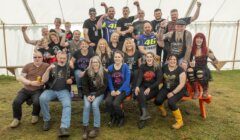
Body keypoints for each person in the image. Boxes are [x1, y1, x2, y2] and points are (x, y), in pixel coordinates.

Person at [10, 51, 49, 128]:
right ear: (33, 58)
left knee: (37, 102)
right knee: (16, 102)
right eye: (35, 57)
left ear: (43, 58)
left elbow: (49, 75)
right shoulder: (28, 66)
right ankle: (16, 118)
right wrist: (30, 83)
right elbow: (21, 77)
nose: (37, 59)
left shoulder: (46, 66)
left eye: (39, 57)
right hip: (26, 89)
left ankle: (35, 114)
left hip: (38, 89)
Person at [40, 52, 73, 137]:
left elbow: (73, 77)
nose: (62, 60)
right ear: (57, 58)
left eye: (64, 58)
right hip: (51, 90)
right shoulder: (52, 66)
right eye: (60, 58)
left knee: (67, 105)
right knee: (42, 98)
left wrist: (71, 80)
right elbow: (43, 80)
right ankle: (47, 120)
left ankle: (64, 127)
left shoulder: (69, 67)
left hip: (64, 91)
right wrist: (48, 70)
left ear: (66, 59)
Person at [155, 54, 186, 129]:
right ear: (167, 60)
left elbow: (182, 84)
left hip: (178, 90)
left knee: (171, 102)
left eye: (174, 59)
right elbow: (160, 77)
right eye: (171, 59)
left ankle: (180, 121)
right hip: (166, 88)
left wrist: (173, 93)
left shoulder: (180, 70)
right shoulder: (164, 67)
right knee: (158, 100)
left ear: (177, 61)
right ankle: (163, 111)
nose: (172, 61)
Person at [81, 56, 108, 139]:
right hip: (88, 93)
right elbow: (84, 86)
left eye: (96, 62)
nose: (94, 64)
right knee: (87, 106)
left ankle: (96, 128)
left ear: (99, 63)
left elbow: (104, 88)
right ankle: (85, 128)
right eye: (93, 62)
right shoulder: (87, 72)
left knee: (95, 105)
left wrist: (95, 95)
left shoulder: (104, 72)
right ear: (91, 63)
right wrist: (88, 95)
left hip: (99, 93)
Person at [135, 52, 162, 128]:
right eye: (147, 57)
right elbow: (140, 77)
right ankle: (144, 115)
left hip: (153, 88)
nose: (149, 58)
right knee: (140, 94)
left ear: (153, 58)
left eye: (150, 57)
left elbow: (158, 81)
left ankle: (143, 118)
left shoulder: (157, 67)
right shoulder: (142, 66)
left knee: (140, 97)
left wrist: (150, 88)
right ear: (145, 58)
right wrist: (137, 86)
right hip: (143, 86)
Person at [187, 33, 218, 99]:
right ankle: (196, 90)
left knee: (199, 72)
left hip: (203, 68)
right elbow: (187, 60)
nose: (199, 40)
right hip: (194, 68)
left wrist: (212, 56)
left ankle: (205, 90)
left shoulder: (206, 49)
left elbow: (216, 61)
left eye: (201, 38)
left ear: (203, 40)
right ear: (194, 39)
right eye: (197, 38)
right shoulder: (191, 49)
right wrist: (190, 63)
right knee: (189, 70)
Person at [105, 50, 131, 127]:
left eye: (119, 57)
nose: (117, 58)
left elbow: (127, 81)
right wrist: (112, 90)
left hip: (123, 89)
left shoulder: (125, 67)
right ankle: (113, 117)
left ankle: (121, 117)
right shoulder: (110, 67)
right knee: (108, 102)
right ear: (113, 58)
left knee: (116, 103)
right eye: (115, 57)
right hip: (113, 89)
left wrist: (119, 91)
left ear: (122, 58)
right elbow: (109, 80)